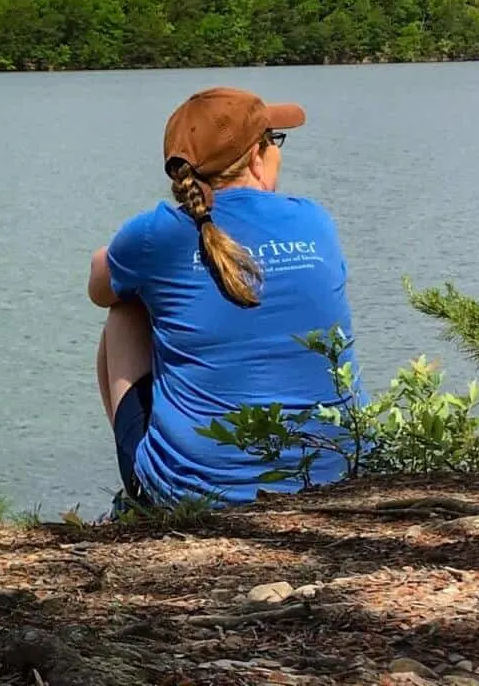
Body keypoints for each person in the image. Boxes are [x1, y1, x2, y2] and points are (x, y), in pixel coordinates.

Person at [87, 86, 365, 511]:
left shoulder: (154, 235)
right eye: (275, 142)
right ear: (257, 156)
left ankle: (144, 493)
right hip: (343, 474)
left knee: (125, 305)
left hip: (197, 499)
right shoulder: (314, 219)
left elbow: (98, 287)